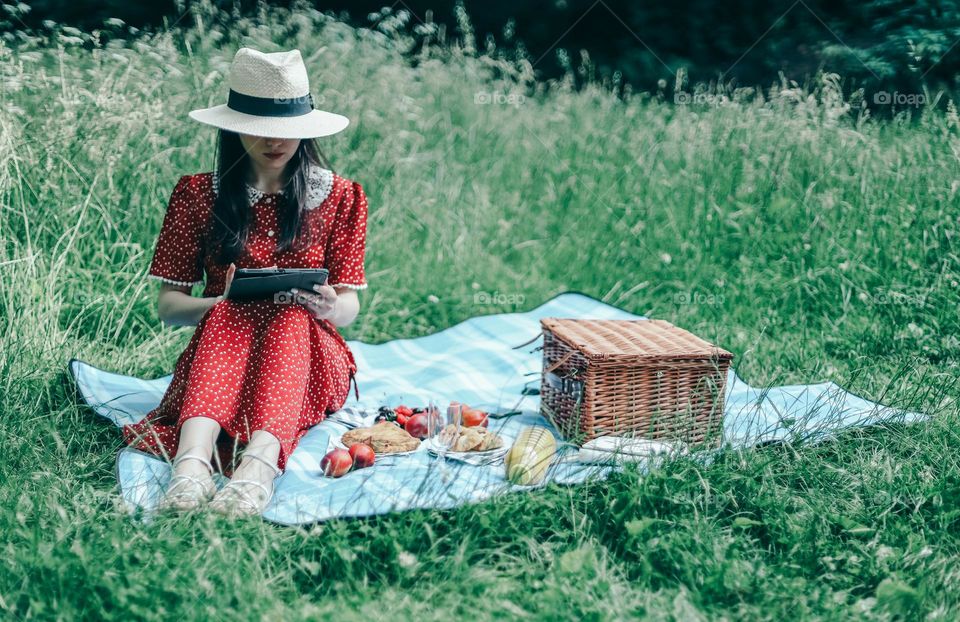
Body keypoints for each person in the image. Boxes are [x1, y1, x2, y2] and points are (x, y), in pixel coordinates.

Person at [121, 47, 368, 517]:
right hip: (222, 351)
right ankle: (190, 466)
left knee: (292, 316)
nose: (274, 142)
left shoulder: (340, 195)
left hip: (309, 357)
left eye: (285, 132)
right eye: (258, 129)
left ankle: (257, 470)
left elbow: (349, 308)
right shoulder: (196, 194)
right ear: (233, 127)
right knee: (228, 309)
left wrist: (328, 305)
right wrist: (216, 300)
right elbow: (169, 306)